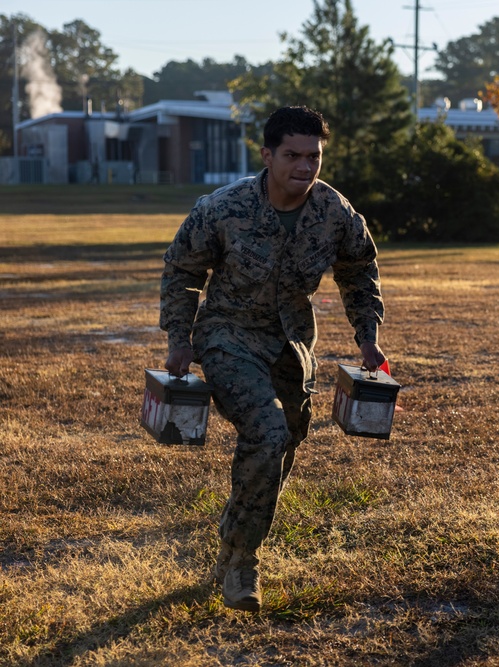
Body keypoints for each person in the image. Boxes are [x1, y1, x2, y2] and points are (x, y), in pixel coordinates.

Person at [160, 106, 386, 612]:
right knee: (267, 431)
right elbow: (182, 269)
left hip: (291, 345)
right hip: (227, 336)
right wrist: (179, 338)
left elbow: (359, 272)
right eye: (292, 155)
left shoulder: (335, 212)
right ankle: (242, 561)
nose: (305, 167)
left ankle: (234, 533)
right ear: (267, 155)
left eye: (314, 156)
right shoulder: (224, 207)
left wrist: (367, 336)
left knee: (285, 443)